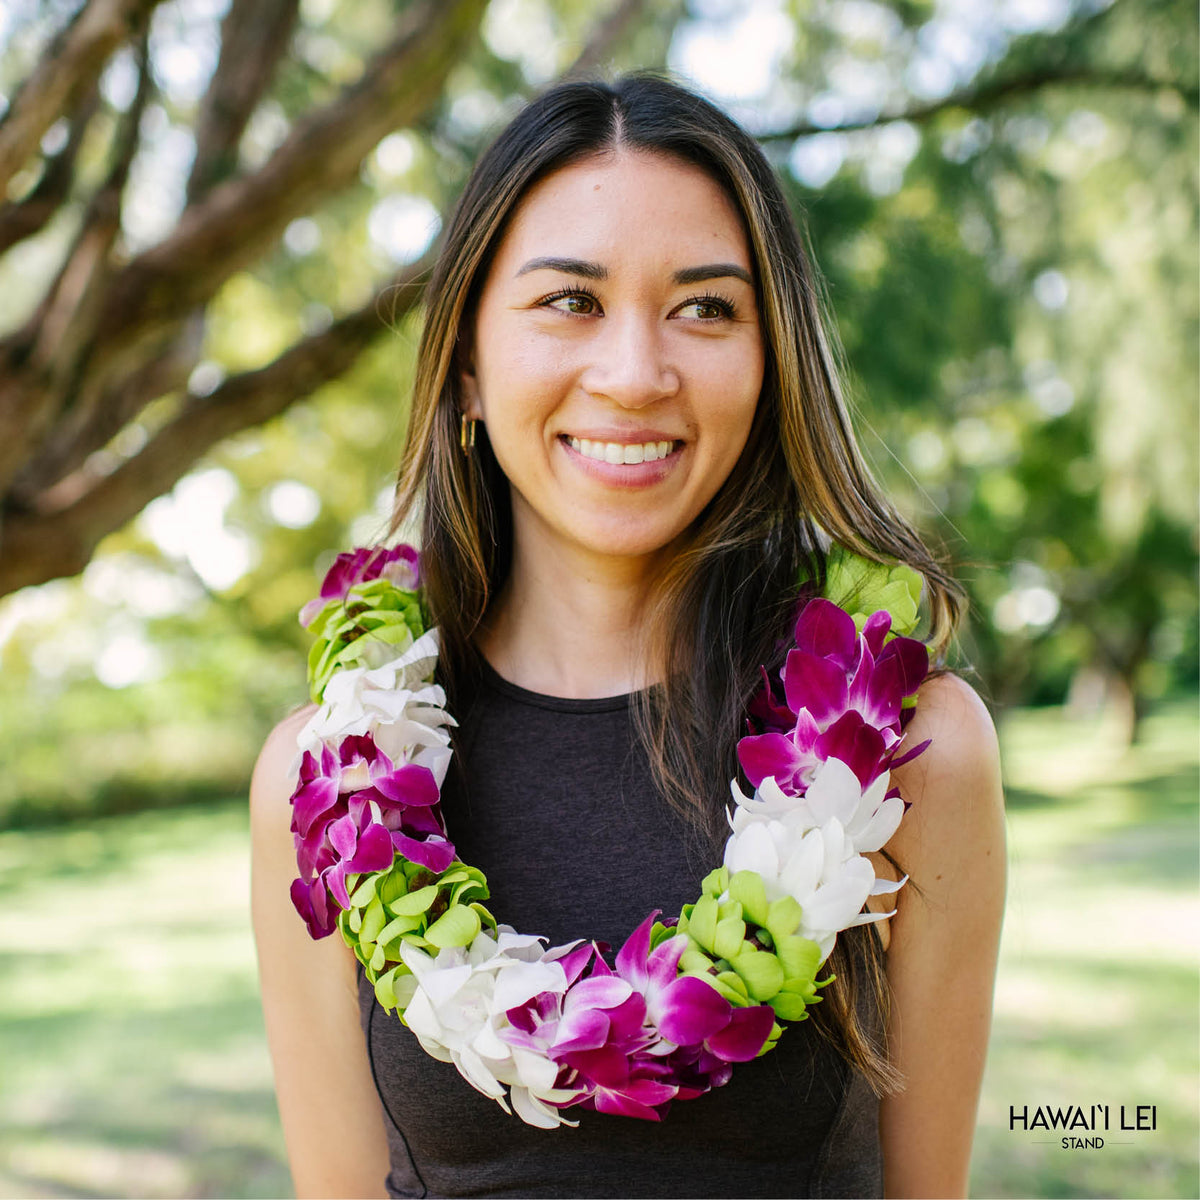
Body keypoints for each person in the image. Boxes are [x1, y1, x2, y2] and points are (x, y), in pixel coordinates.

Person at [250, 73, 1006, 1199]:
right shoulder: (326, 783)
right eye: (571, 300)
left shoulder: (909, 754)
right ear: (466, 367)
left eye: (706, 309)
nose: (636, 375)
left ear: (772, 363)